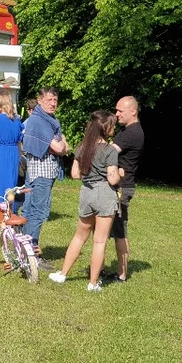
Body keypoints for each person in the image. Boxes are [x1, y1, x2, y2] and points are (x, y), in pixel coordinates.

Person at [49, 111, 121, 292]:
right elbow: (112, 179)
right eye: (112, 125)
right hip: (104, 193)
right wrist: (120, 173)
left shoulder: (82, 147)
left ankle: (62, 274)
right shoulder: (110, 150)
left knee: (79, 236)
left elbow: (74, 174)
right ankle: (93, 283)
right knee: (99, 241)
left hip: (86, 193)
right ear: (105, 128)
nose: (114, 128)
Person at [21, 87, 69, 256]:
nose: (53, 103)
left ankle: (24, 248)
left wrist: (61, 145)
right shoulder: (39, 120)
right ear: (39, 101)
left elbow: (63, 147)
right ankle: (30, 252)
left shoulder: (50, 119)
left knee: (31, 209)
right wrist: (61, 143)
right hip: (41, 173)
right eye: (49, 100)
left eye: (55, 100)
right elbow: (59, 146)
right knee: (37, 211)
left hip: (43, 171)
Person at [107, 95, 144, 282]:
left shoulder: (131, 133)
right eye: (116, 110)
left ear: (133, 111)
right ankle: (117, 270)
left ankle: (121, 274)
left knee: (120, 230)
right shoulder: (129, 130)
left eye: (120, 110)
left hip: (122, 188)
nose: (117, 114)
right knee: (113, 229)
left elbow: (107, 152)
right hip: (120, 185)